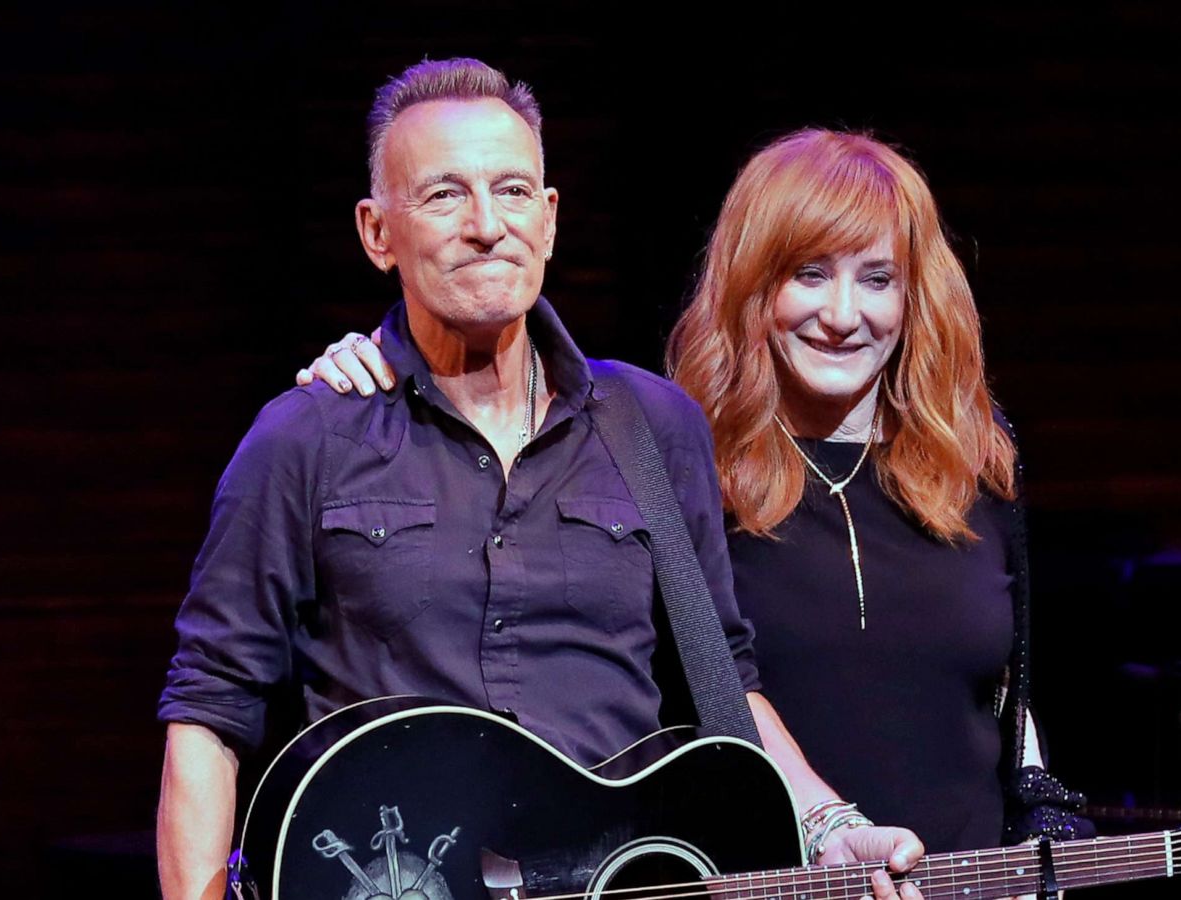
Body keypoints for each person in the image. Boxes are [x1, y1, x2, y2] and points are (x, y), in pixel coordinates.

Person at [155, 59, 924, 900]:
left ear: (550, 220)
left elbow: (724, 683)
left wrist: (828, 827)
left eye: (514, 191)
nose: (488, 224)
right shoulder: (306, 437)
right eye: (445, 195)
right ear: (378, 233)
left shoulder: (655, 426)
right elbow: (209, 710)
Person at [301, 129, 1088, 857]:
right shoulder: (666, 458)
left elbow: (1004, 704)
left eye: (877, 279)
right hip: (769, 876)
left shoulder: (971, 469)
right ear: (753, 285)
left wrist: (1042, 827)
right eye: (809, 276)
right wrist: (381, 361)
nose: (844, 315)